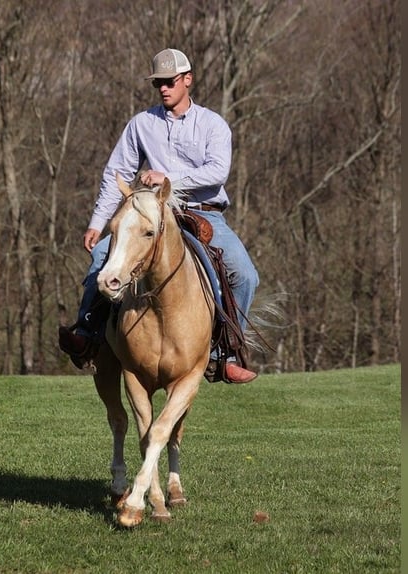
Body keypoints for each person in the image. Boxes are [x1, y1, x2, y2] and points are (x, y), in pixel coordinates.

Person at [59, 48, 259, 384]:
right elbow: (116, 173)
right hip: (151, 215)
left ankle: (222, 353)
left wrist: (169, 179)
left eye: (170, 82)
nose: (164, 89)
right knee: (100, 256)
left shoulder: (213, 124)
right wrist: (97, 222)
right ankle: (89, 334)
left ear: (187, 80)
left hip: (202, 214)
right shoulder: (141, 124)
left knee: (246, 275)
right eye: (158, 84)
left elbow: (217, 171)